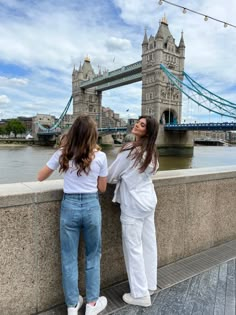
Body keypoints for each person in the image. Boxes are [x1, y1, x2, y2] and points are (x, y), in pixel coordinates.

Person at [37, 115, 108, 315]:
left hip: (69, 207)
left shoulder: (63, 153)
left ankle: (72, 305)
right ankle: (92, 304)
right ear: (94, 135)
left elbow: (40, 177)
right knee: (93, 255)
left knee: (69, 257)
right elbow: (102, 188)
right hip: (91, 205)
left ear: (73, 132)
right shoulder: (100, 157)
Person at [107, 115, 159, 307]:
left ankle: (140, 294)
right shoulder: (152, 151)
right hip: (149, 201)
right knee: (148, 244)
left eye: (142, 124)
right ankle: (150, 284)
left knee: (133, 249)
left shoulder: (131, 150)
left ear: (148, 131)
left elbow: (111, 176)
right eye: (138, 121)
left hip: (133, 205)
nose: (137, 124)